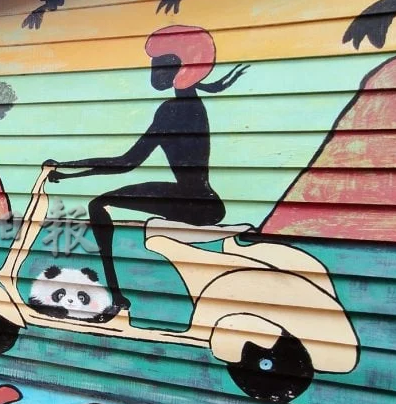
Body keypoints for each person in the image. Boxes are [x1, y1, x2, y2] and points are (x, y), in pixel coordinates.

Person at [46, 25, 247, 310]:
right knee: (104, 203)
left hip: (194, 202)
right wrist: (68, 173)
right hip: (198, 198)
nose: (153, 72)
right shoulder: (188, 104)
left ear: (178, 68)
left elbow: (126, 162)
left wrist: (67, 168)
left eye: (159, 66)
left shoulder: (173, 110)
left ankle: (116, 296)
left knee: (99, 205)